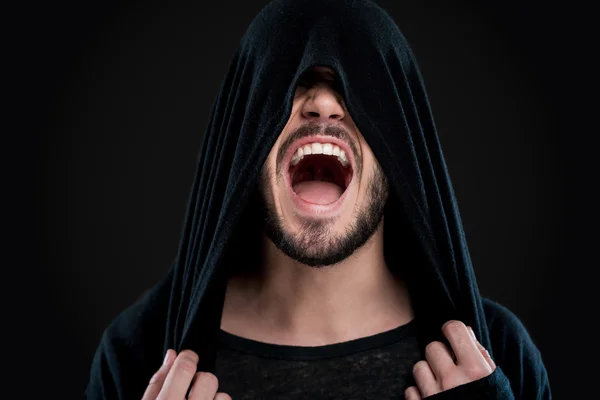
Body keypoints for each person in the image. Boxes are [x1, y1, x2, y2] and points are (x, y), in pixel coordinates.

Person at [86, 0, 551, 399]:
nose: (323, 104)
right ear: (246, 135)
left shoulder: (496, 354)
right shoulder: (137, 354)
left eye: (357, 84)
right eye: (291, 81)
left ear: (398, 143)